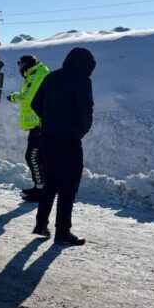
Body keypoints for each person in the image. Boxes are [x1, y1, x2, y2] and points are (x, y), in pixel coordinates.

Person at [31, 47, 95, 246]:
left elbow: (35, 103)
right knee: (68, 186)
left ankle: (41, 224)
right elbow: (86, 110)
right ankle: (62, 233)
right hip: (69, 140)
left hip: (47, 137)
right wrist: (80, 130)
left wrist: (48, 120)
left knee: (51, 180)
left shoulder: (52, 77)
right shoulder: (82, 80)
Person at [7, 55, 50, 202]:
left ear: (26, 64)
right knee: (38, 157)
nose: (19, 66)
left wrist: (14, 97)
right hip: (39, 122)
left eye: (20, 63)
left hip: (39, 123)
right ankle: (42, 187)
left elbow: (28, 96)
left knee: (32, 156)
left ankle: (41, 188)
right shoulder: (35, 73)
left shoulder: (37, 75)